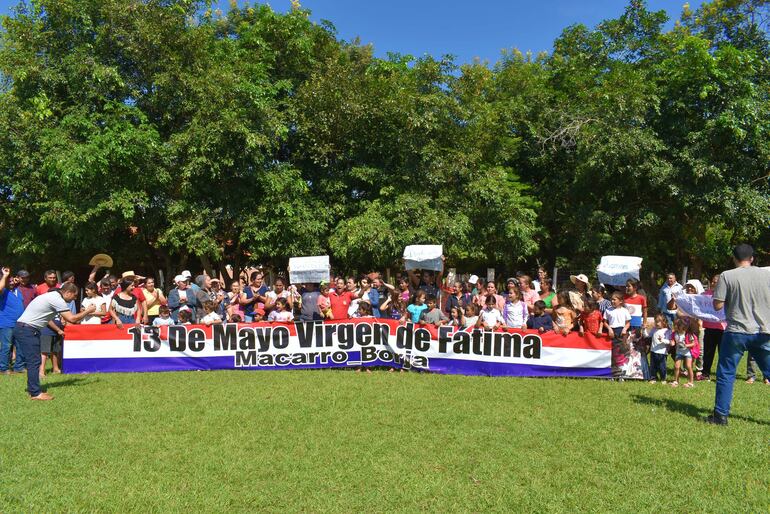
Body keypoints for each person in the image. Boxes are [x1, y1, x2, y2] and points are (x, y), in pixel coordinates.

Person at [706, 244, 770, 425]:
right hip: (763, 331)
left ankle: (720, 416)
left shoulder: (727, 275)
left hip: (736, 331)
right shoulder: (767, 275)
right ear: (752, 258)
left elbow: (717, 305)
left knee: (726, 373)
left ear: (734, 258)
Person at [13, 283, 95, 400]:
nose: (74, 299)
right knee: (34, 361)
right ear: (67, 292)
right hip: (27, 330)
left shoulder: (51, 296)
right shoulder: (57, 299)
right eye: (74, 296)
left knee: (34, 361)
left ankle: (33, 390)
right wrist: (88, 311)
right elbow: (72, 318)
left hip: (26, 329)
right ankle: (35, 393)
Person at [0, 267, 26, 375]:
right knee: (6, 346)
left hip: (19, 323)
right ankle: (3, 368)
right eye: (8, 281)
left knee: (20, 345)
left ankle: (19, 367)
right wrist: (5, 276)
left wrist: (13, 280)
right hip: (6, 323)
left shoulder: (17, 291)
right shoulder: (3, 291)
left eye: (12, 280)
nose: (11, 282)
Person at [701, 273, 725, 381]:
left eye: (717, 281)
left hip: (723, 329)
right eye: (713, 281)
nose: (714, 283)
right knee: (708, 352)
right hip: (709, 327)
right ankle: (705, 373)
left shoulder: (726, 295)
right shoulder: (705, 295)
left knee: (723, 353)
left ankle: (722, 375)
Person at [670, 317, 697, 388]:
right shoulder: (674, 334)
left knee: (688, 366)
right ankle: (676, 381)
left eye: (677, 325)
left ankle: (691, 382)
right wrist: (672, 342)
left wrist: (687, 345)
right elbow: (672, 340)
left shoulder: (688, 334)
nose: (675, 326)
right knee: (676, 366)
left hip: (688, 353)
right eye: (675, 325)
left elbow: (694, 343)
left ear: (683, 327)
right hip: (679, 352)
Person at [649, 314, 671, 383]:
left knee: (662, 366)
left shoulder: (667, 331)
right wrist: (643, 330)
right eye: (656, 321)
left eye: (658, 322)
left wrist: (663, 340)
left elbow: (669, 341)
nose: (657, 323)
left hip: (662, 352)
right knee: (653, 366)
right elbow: (648, 335)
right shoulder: (654, 329)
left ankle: (663, 378)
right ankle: (653, 378)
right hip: (653, 351)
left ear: (664, 322)